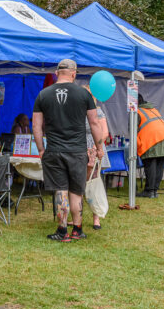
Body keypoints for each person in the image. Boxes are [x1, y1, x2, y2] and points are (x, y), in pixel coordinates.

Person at [32, 59, 105, 242]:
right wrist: (99, 147)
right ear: (74, 73)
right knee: (76, 191)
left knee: (60, 190)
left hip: (54, 150)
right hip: (77, 151)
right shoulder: (84, 94)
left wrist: (41, 149)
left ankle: (62, 231)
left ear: (57, 73)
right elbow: (94, 123)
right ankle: (77, 230)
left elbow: (36, 126)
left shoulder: (43, 94)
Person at [136, 93, 164, 198]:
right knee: (159, 165)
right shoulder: (153, 109)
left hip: (152, 139)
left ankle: (149, 191)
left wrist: (139, 148)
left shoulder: (137, 112)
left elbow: (133, 132)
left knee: (150, 164)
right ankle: (154, 191)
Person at [84, 87, 110, 230]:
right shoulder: (78, 112)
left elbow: (104, 132)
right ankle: (78, 216)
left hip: (94, 146)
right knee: (79, 183)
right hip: (81, 148)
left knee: (94, 181)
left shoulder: (98, 111)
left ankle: (96, 217)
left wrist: (95, 147)